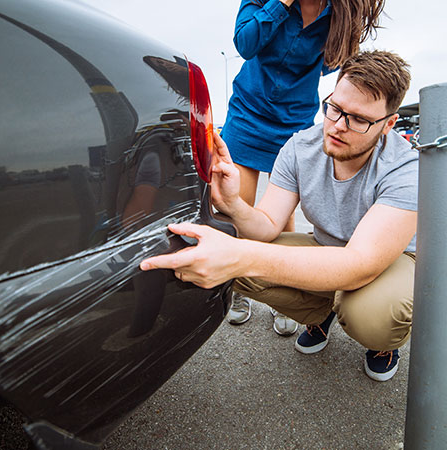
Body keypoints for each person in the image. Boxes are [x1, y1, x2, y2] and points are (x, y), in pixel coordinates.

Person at [141, 50, 416, 382]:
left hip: (388, 260)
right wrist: (233, 204)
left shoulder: (405, 167)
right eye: (335, 108)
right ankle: (319, 313)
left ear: (388, 124)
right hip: (328, 248)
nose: (338, 127)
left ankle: (382, 344)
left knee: (372, 315)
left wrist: (241, 257)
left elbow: (360, 265)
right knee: (235, 254)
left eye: (358, 119)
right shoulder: (302, 146)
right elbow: (267, 227)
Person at [222, 0, 386, 334]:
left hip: (294, 118)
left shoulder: (338, 15)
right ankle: (236, 288)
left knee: (281, 213)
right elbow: (245, 43)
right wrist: (281, 4)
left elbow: (331, 64)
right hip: (248, 112)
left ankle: (285, 292)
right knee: (238, 206)